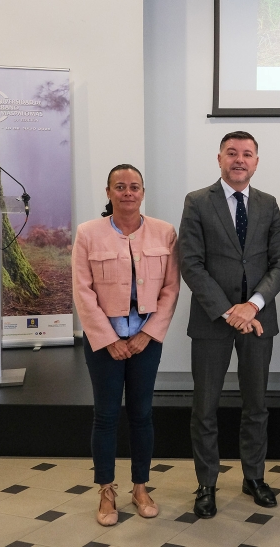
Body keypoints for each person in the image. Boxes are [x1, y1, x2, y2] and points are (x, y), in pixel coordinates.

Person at [179, 131, 280, 516]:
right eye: (232, 153)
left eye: (247, 154)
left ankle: (254, 477)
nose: (239, 159)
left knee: (256, 404)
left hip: (258, 320)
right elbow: (190, 264)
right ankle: (206, 484)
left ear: (256, 161)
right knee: (205, 407)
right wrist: (230, 312)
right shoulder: (197, 201)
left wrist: (252, 306)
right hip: (212, 320)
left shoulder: (268, 204)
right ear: (219, 159)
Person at [72, 164, 180, 526]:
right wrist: (108, 340)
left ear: (143, 192)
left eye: (134, 186)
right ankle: (106, 491)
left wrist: (148, 333)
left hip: (145, 340)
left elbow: (171, 288)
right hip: (104, 342)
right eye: (120, 187)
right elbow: (83, 291)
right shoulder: (88, 233)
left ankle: (140, 488)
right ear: (108, 193)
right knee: (105, 416)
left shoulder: (165, 232)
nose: (128, 192)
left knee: (141, 414)